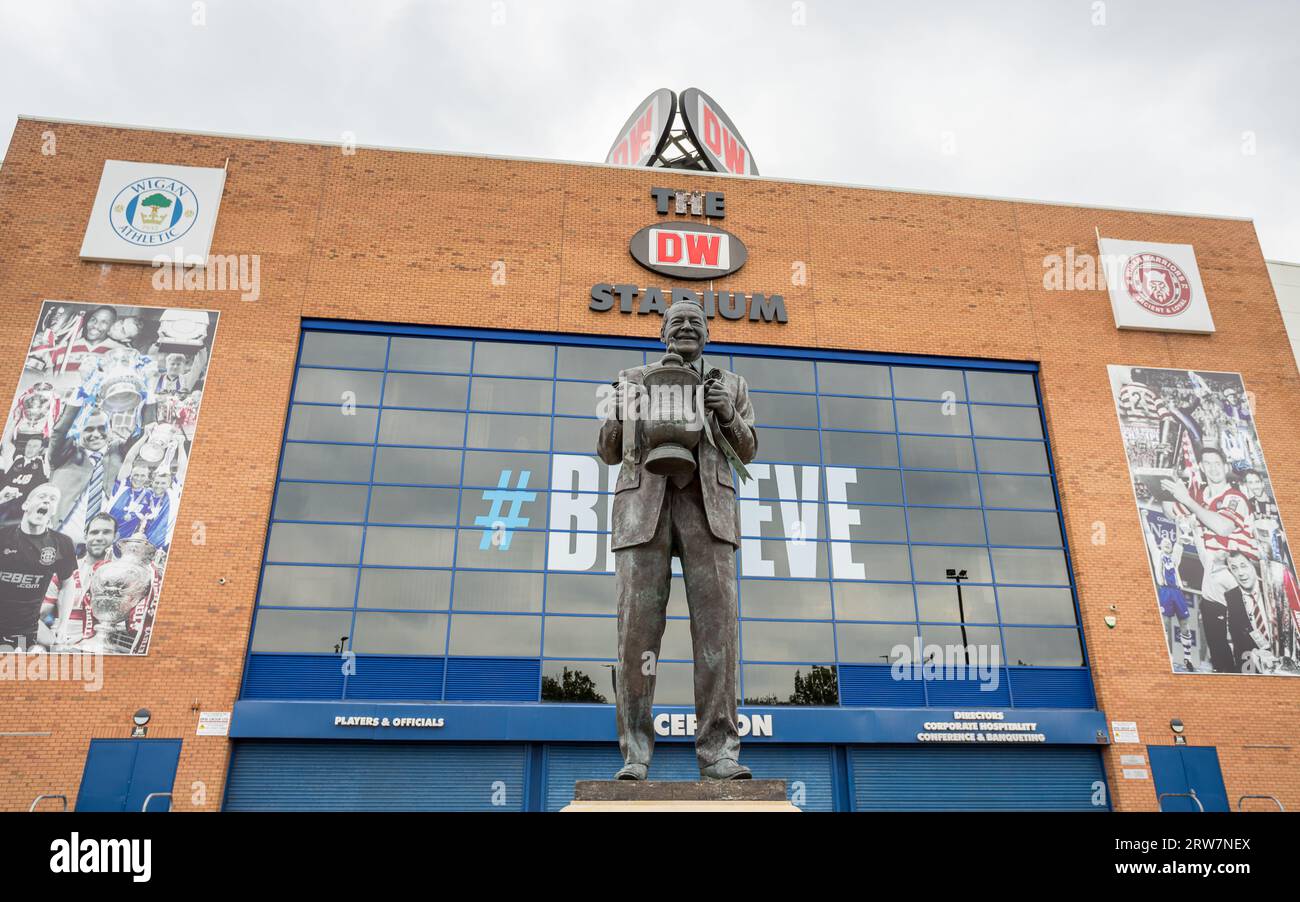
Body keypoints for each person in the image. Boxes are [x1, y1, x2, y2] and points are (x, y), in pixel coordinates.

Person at [596, 298, 758, 781]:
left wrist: (727, 414)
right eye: (677, 322)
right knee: (636, 636)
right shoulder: (629, 379)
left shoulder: (732, 384)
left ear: (708, 334)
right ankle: (636, 752)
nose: (687, 327)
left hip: (709, 512)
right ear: (661, 333)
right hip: (642, 511)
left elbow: (747, 451)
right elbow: (606, 449)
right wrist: (622, 414)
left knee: (717, 635)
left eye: (696, 322)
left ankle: (719, 752)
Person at [1161, 447, 1252, 673]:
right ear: (1201, 467)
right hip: (1211, 578)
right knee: (1215, 639)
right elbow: (1169, 511)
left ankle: (1251, 686)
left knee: (1243, 636)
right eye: (1207, 463)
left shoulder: (1235, 497)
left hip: (1237, 577)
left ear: (1226, 466)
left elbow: (1222, 527)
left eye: (1217, 463)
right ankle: (1225, 684)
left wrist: (1188, 502)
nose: (1213, 468)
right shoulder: (1199, 495)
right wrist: (1165, 482)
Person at [0, 484, 77, 651]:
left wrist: (63, 625)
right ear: (25, 505)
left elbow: (68, 584)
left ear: (54, 510)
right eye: (42, 496)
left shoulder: (62, 544)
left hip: (26, 633)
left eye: (52, 499)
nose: (47, 501)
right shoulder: (3, 536)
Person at [48, 407, 127, 548]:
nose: (96, 434)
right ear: (79, 430)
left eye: (101, 428)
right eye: (89, 429)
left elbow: (145, 435)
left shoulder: (120, 452)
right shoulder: (64, 454)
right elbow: (59, 433)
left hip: (104, 547)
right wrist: (78, 400)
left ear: (110, 428)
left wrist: (148, 396)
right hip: (61, 543)